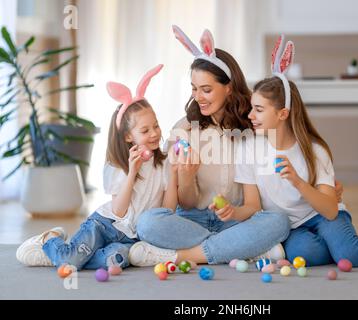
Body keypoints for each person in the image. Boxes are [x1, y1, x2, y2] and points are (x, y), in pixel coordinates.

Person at [234, 36, 358, 267]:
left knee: (351, 256)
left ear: (283, 113)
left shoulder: (314, 150)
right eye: (252, 108)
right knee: (306, 256)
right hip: (293, 227)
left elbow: (330, 211)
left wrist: (298, 182)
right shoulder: (248, 148)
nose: (250, 116)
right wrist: (233, 213)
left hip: (323, 215)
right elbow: (253, 205)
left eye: (258, 110)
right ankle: (343, 244)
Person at [128, 26, 292, 267]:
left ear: (229, 87)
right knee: (148, 223)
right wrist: (186, 176)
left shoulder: (253, 127)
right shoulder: (183, 129)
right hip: (191, 220)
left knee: (279, 221)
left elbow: (255, 201)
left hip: (236, 219)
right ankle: (240, 248)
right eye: (194, 89)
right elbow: (186, 203)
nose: (198, 97)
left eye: (206, 89)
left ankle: (185, 256)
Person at [16, 65, 179, 271]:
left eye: (156, 126)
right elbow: (119, 211)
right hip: (105, 225)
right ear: (128, 136)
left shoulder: (163, 164)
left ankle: (67, 255)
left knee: (117, 260)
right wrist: (132, 173)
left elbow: (167, 212)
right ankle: (52, 239)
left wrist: (173, 174)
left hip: (130, 239)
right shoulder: (118, 164)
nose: (155, 133)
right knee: (72, 262)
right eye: (145, 130)